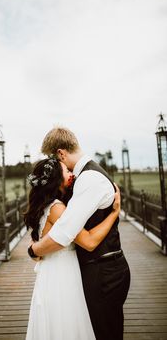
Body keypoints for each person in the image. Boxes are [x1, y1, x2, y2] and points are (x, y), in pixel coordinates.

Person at [29, 127, 131, 340]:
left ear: (61, 154)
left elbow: (66, 234)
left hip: (104, 272)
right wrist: (114, 214)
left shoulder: (89, 179)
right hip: (90, 271)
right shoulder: (83, 179)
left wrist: (33, 250)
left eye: (55, 160)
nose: (60, 169)